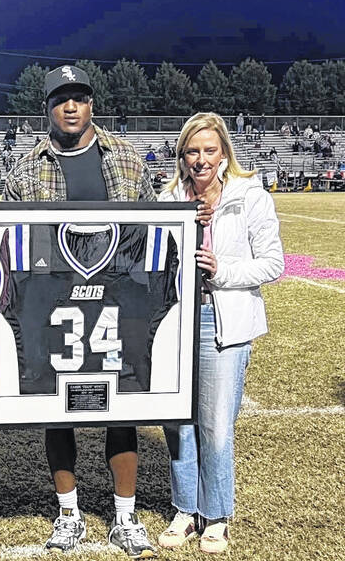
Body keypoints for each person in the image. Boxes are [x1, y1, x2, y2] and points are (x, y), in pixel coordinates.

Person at [0, 64, 160, 558]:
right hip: (53, 299)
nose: (70, 106)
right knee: (59, 408)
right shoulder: (27, 168)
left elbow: (154, 227)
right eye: (60, 99)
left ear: (92, 103)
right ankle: (69, 513)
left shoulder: (128, 159)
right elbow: (7, 231)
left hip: (119, 297)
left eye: (79, 97)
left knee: (123, 406)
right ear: (47, 108)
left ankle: (124, 515)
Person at [157, 112, 284, 554]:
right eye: (192, 151)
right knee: (177, 421)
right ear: (181, 155)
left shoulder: (249, 196)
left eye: (210, 150)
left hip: (221, 320)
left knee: (213, 425)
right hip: (175, 320)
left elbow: (273, 263)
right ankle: (184, 510)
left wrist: (222, 270)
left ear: (224, 152)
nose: (201, 159)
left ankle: (216, 516)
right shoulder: (169, 197)